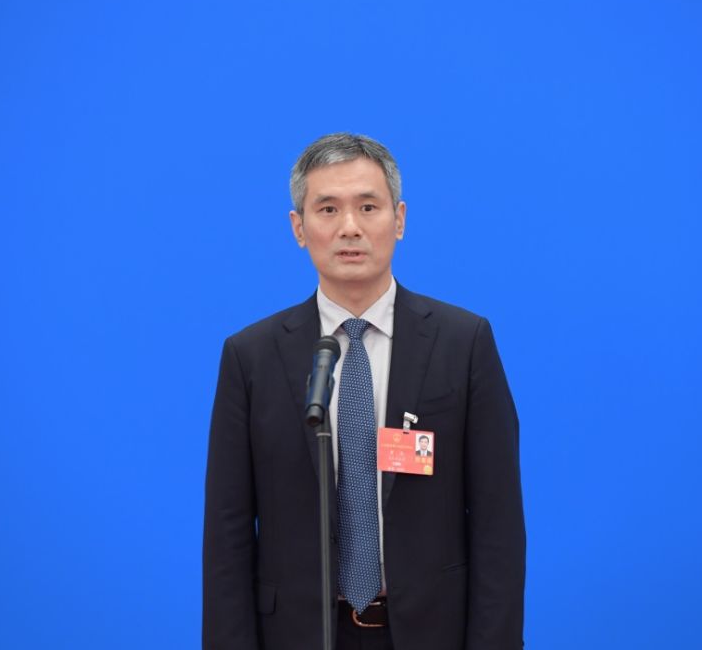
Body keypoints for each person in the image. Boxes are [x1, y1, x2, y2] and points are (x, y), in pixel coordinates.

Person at [203, 133, 525, 650]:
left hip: (431, 633)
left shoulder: (463, 343)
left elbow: (498, 524)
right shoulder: (251, 357)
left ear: (399, 219)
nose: (349, 227)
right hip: (297, 634)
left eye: (368, 207)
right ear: (299, 228)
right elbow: (228, 533)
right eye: (327, 209)